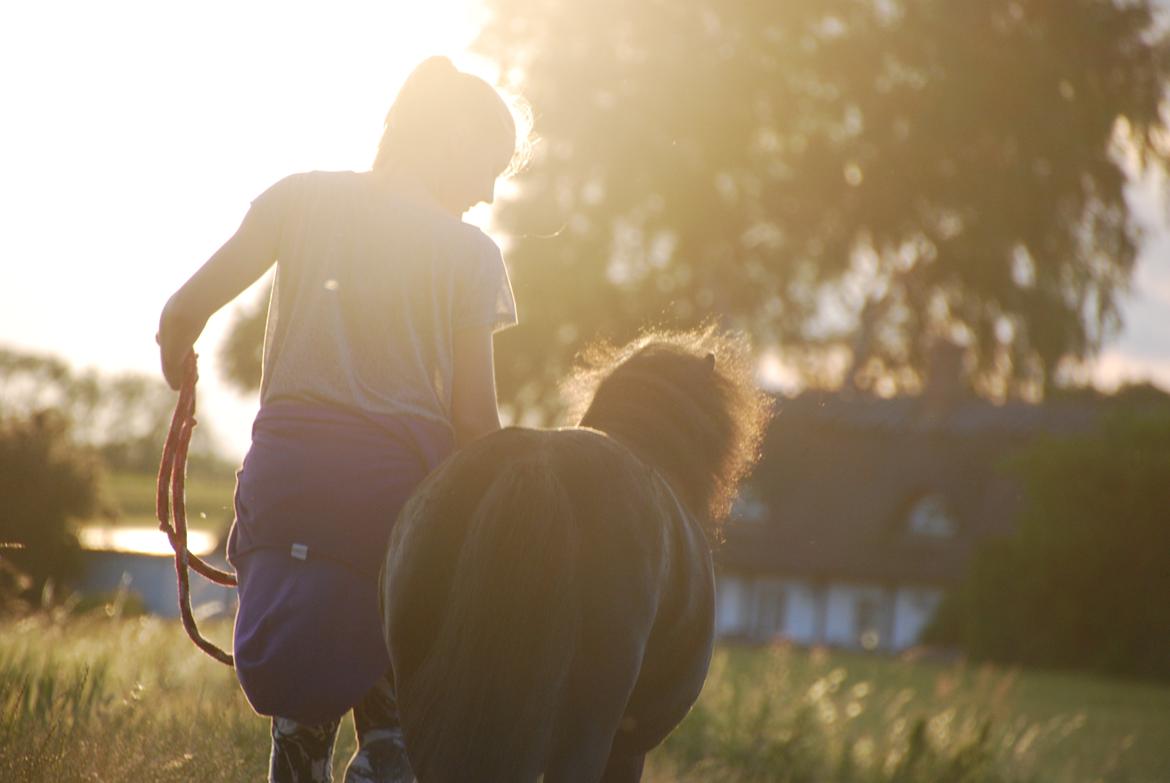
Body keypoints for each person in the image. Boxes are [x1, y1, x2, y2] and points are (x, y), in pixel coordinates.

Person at [156, 55, 531, 783]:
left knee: (300, 732)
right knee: (394, 740)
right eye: (489, 167)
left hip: (286, 489)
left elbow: (182, 311)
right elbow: (475, 425)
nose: (488, 195)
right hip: (392, 514)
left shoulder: (298, 200)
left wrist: (180, 359)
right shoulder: (468, 255)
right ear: (448, 138)